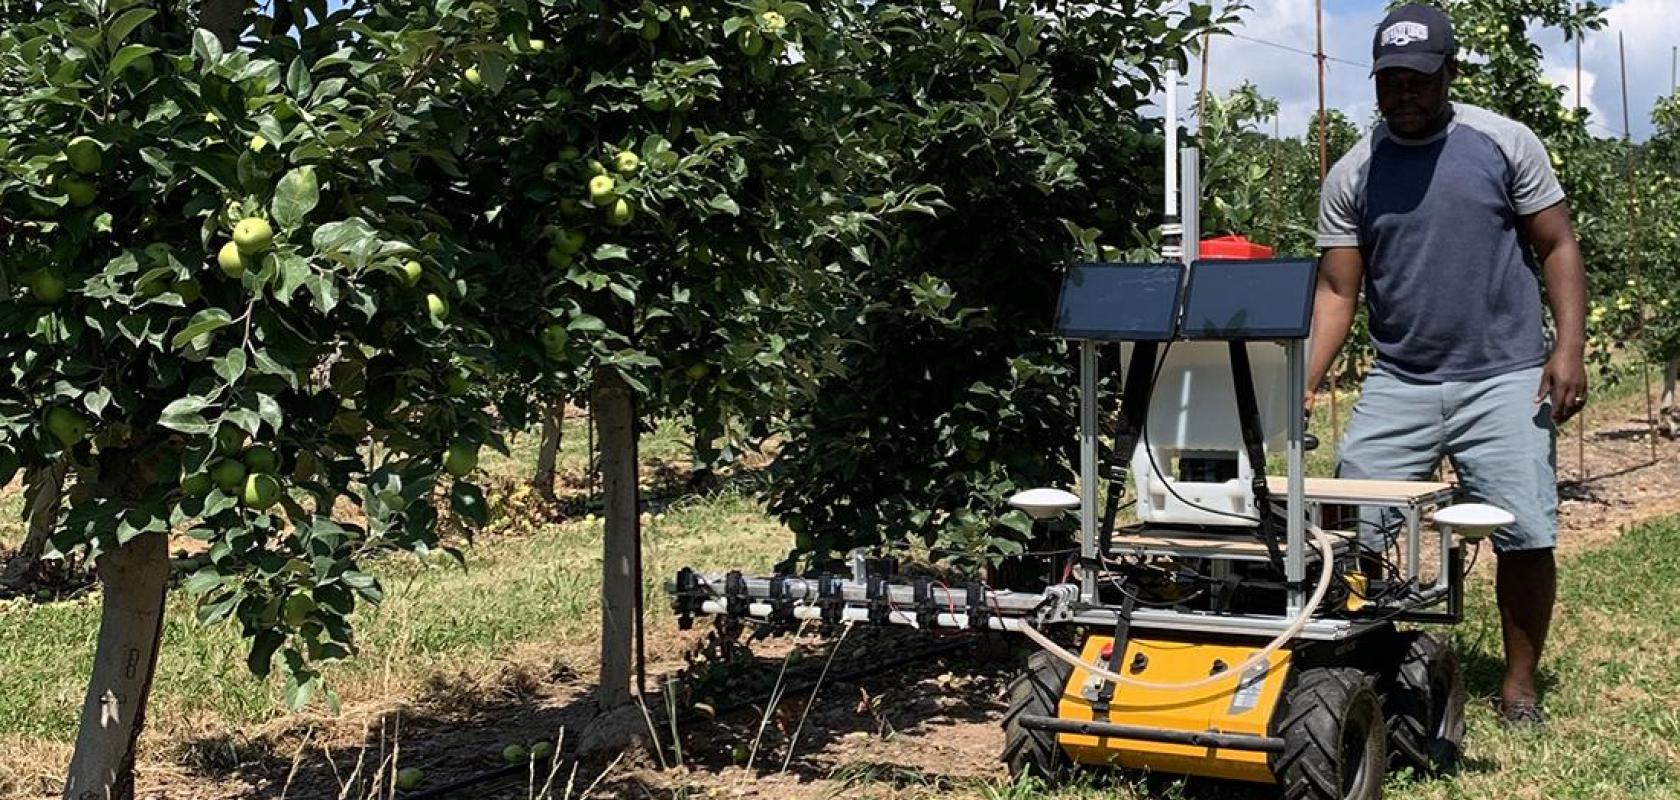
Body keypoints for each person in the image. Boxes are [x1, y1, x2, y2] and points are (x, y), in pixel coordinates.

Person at [1308, 3, 1588, 729]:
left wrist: (1568, 347)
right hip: (1400, 377)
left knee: (1524, 531)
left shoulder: (1503, 142)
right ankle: (1367, 660)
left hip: (1505, 375)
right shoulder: (1354, 172)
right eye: (1390, 80)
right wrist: (1302, 380)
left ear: (1449, 73)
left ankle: (1519, 687)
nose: (1404, 93)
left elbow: (1557, 245)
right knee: (1350, 526)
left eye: (1419, 79)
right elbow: (1338, 291)